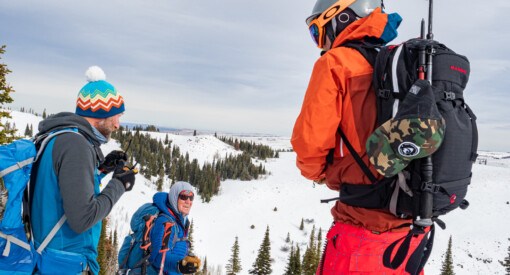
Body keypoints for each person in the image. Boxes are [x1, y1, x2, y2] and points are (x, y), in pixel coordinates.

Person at [291, 0, 427, 274]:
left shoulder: (335, 63)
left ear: (339, 17)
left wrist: (318, 173)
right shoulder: (402, 65)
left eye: (317, 31)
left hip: (360, 233)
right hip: (409, 236)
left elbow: (310, 142)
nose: (321, 43)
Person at [30, 66, 137, 275]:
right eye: (117, 116)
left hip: (54, 259)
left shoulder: (61, 137)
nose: (118, 125)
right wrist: (119, 185)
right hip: (65, 263)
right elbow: (82, 218)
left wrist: (102, 169)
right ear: (101, 114)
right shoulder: (75, 145)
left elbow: (63, 189)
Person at [148, 181, 201, 275]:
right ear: (175, 197)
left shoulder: (181, 221)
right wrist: (179, 265)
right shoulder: (165, 221)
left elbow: (175, 248)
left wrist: (187, 261)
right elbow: (158, 257)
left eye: (191, 197)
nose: (188, 201)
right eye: (184, 197)